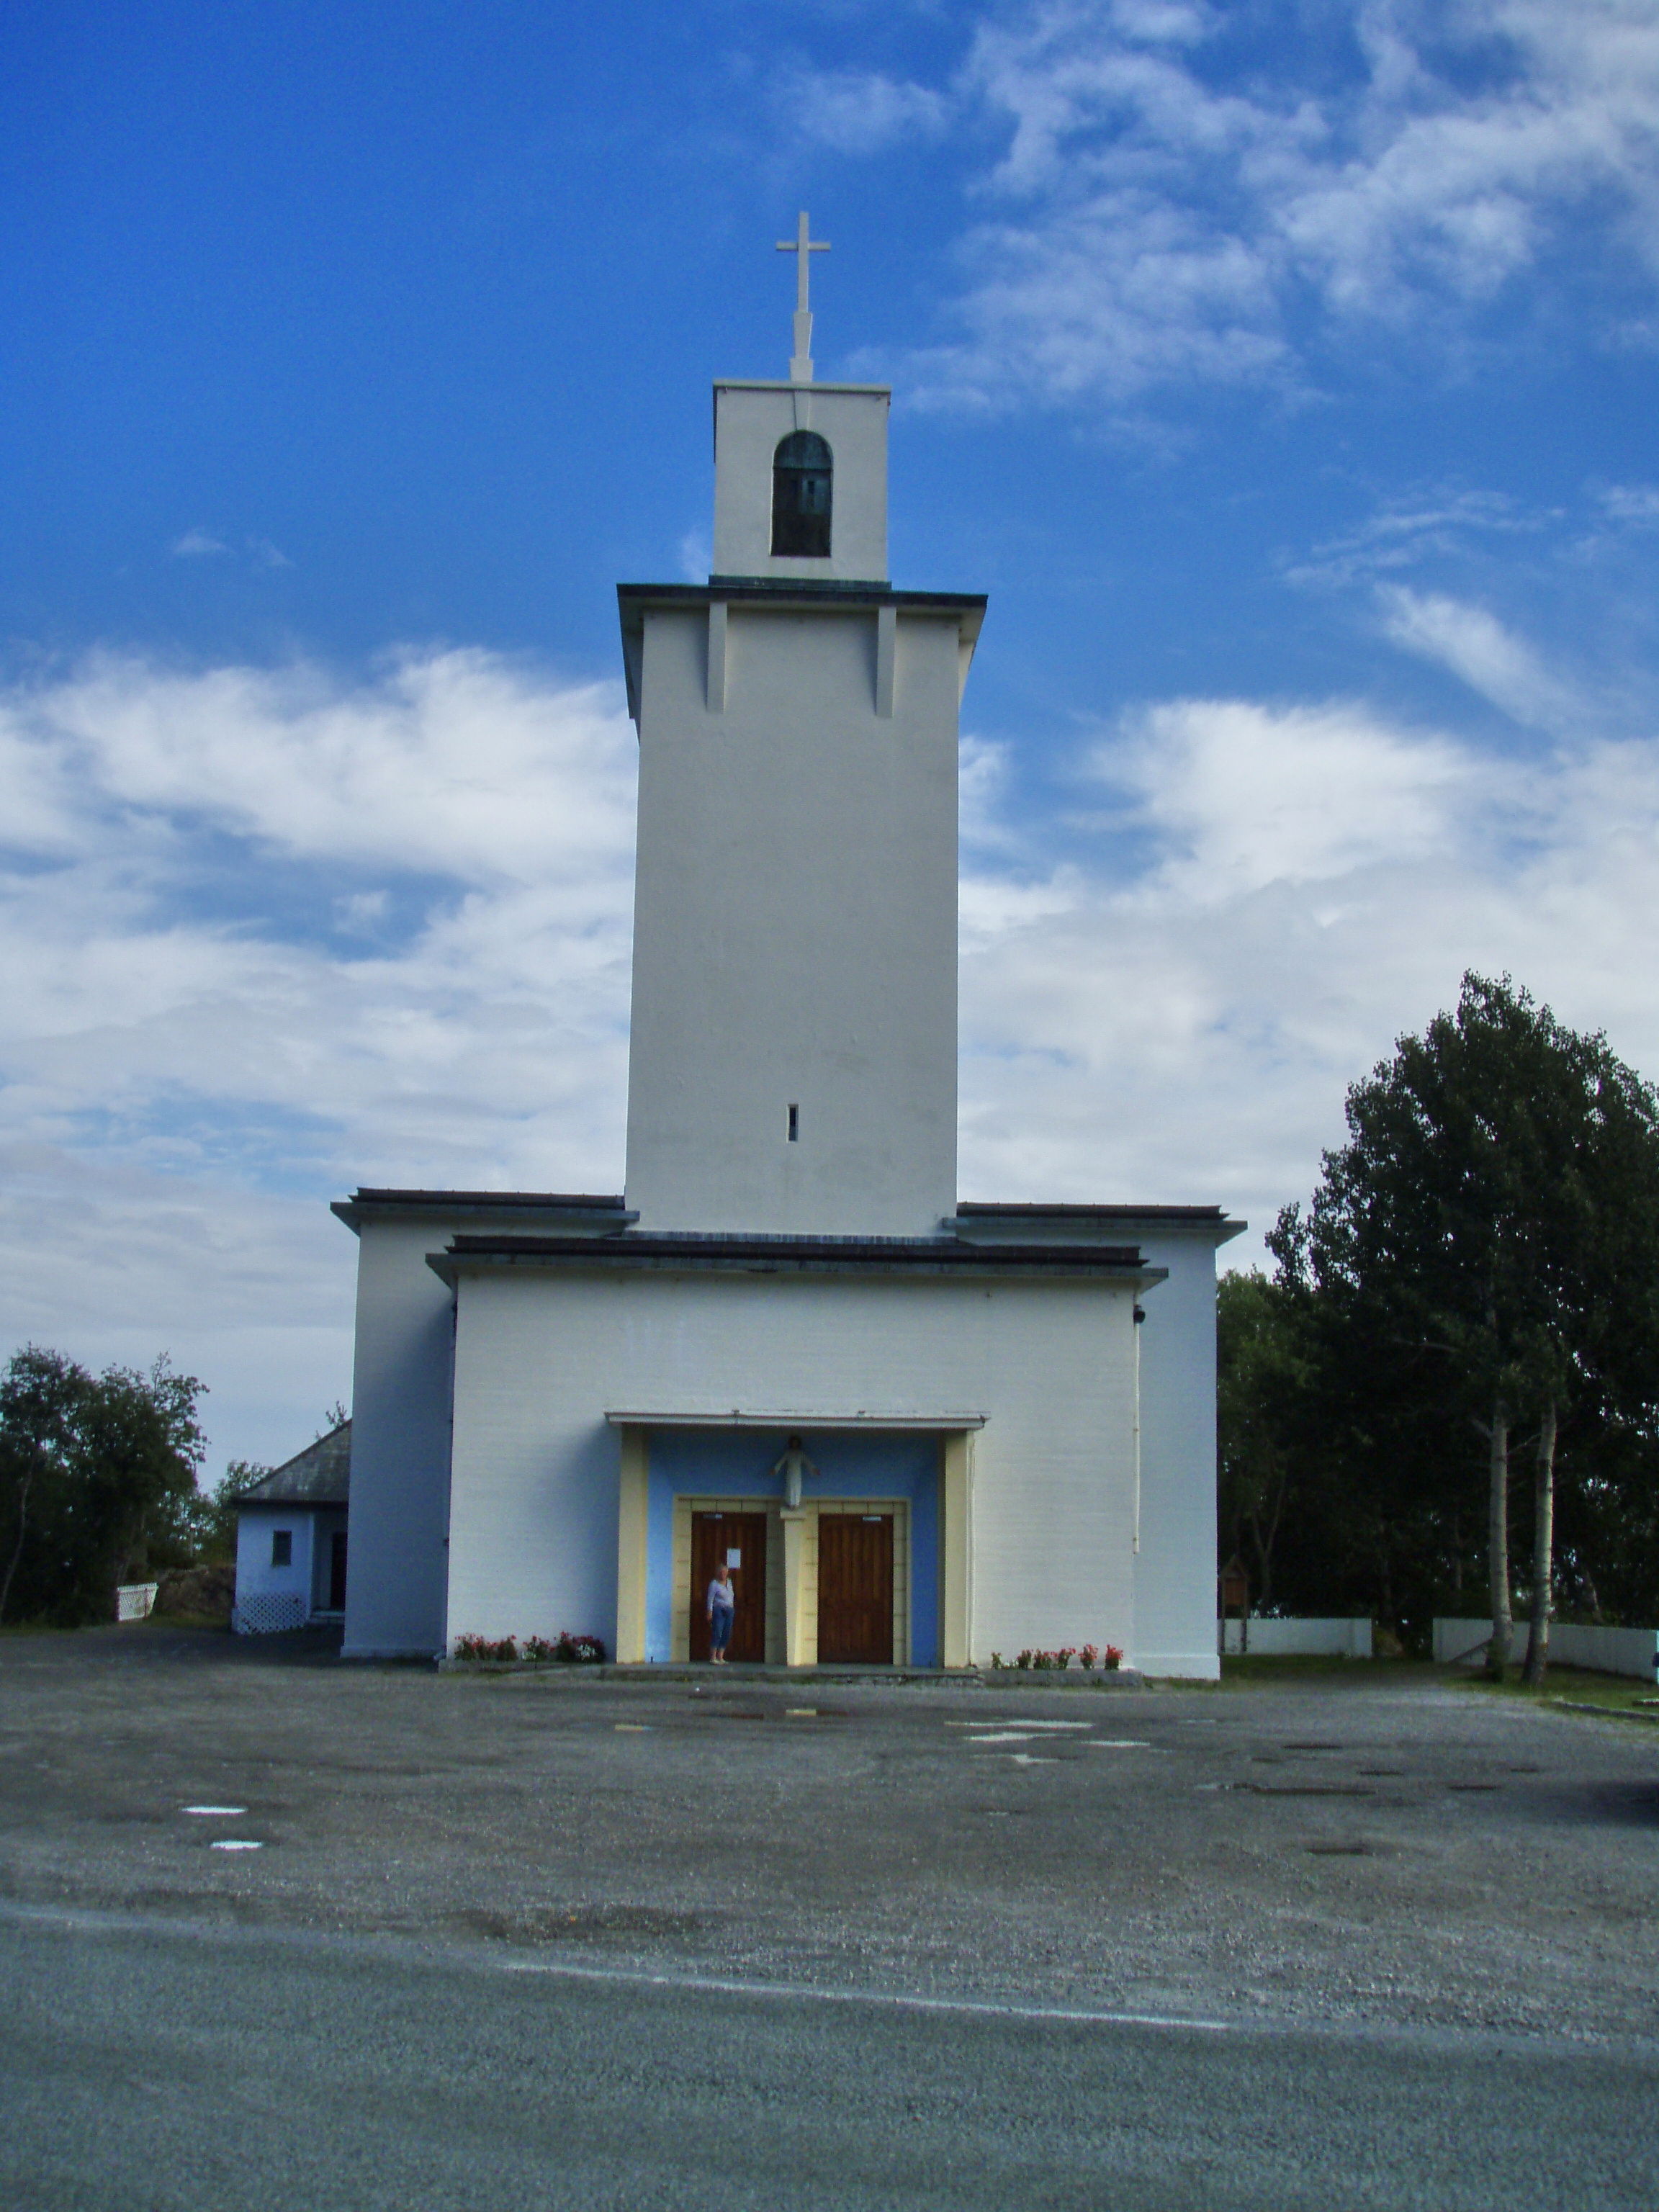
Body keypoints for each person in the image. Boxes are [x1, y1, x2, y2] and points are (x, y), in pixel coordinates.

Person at [772, 1433, 818, 1511]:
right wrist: (775, 1469)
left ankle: (796, 1503)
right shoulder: (788, 1453)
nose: (795, 1444)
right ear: (791, 1443)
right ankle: (790, 1503)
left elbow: (808, 1462)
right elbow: (781, 1462)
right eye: (793, 1442)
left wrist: (814, 1469)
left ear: (798, 1444)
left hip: (797, 1474)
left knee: (797, 1487)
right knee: (790, 1487)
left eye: (796, 1442)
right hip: (790, 1473)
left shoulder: (800, 1453)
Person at [707, 1559, 735, 1663]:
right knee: (717, 1632)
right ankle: (713, 1657)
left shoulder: (730, 1583)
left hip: (729, 1610)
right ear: (718, 1573)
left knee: (727, 1633)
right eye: (721, 1572)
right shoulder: (714, 1584)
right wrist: (709, 1612)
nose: (723, 1574)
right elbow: (710, 1599)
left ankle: (721, 1657)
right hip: (719, 1610)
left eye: (725, 1572)